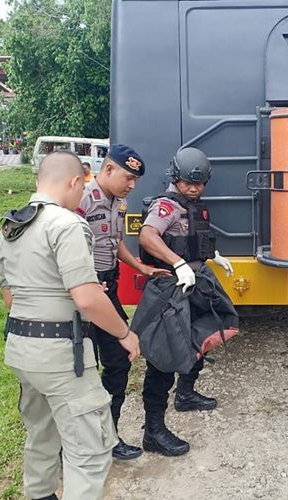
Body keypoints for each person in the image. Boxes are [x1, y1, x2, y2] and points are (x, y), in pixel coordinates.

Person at [0, 151, 140, 500]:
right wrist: (125, 333)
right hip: (60, 357)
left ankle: (41, 494)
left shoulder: (11, 228)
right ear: (75, 181)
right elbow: (88, 298)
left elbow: (10, 297)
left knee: (42, 435)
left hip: (21, 350)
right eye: (82, 187)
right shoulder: (67, 224)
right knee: (90, 452)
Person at [137, 147, 233, 457]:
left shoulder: (193, 206)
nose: (193, 188)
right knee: (163, 358)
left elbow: (196, 238)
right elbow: (148, 236)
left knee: (203, 334)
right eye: (187, 183)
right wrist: (178, 263)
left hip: (195, 282)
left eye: (199, 183)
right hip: (171, 288)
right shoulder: (166, 206)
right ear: (175, 178)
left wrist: (213, 256)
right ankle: (153, 431)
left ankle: (186, 393)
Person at [76, 145, 169, 461]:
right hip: (84, 295)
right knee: (82, 370)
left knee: (118, 361)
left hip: (108, 289)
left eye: (135, 180)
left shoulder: (118, 202)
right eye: (128, 177)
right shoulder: (82, 199)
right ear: (108, 169)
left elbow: (113, 243)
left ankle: (109, 437)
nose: (132, 185)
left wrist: (140, 267)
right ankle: (75, 446)